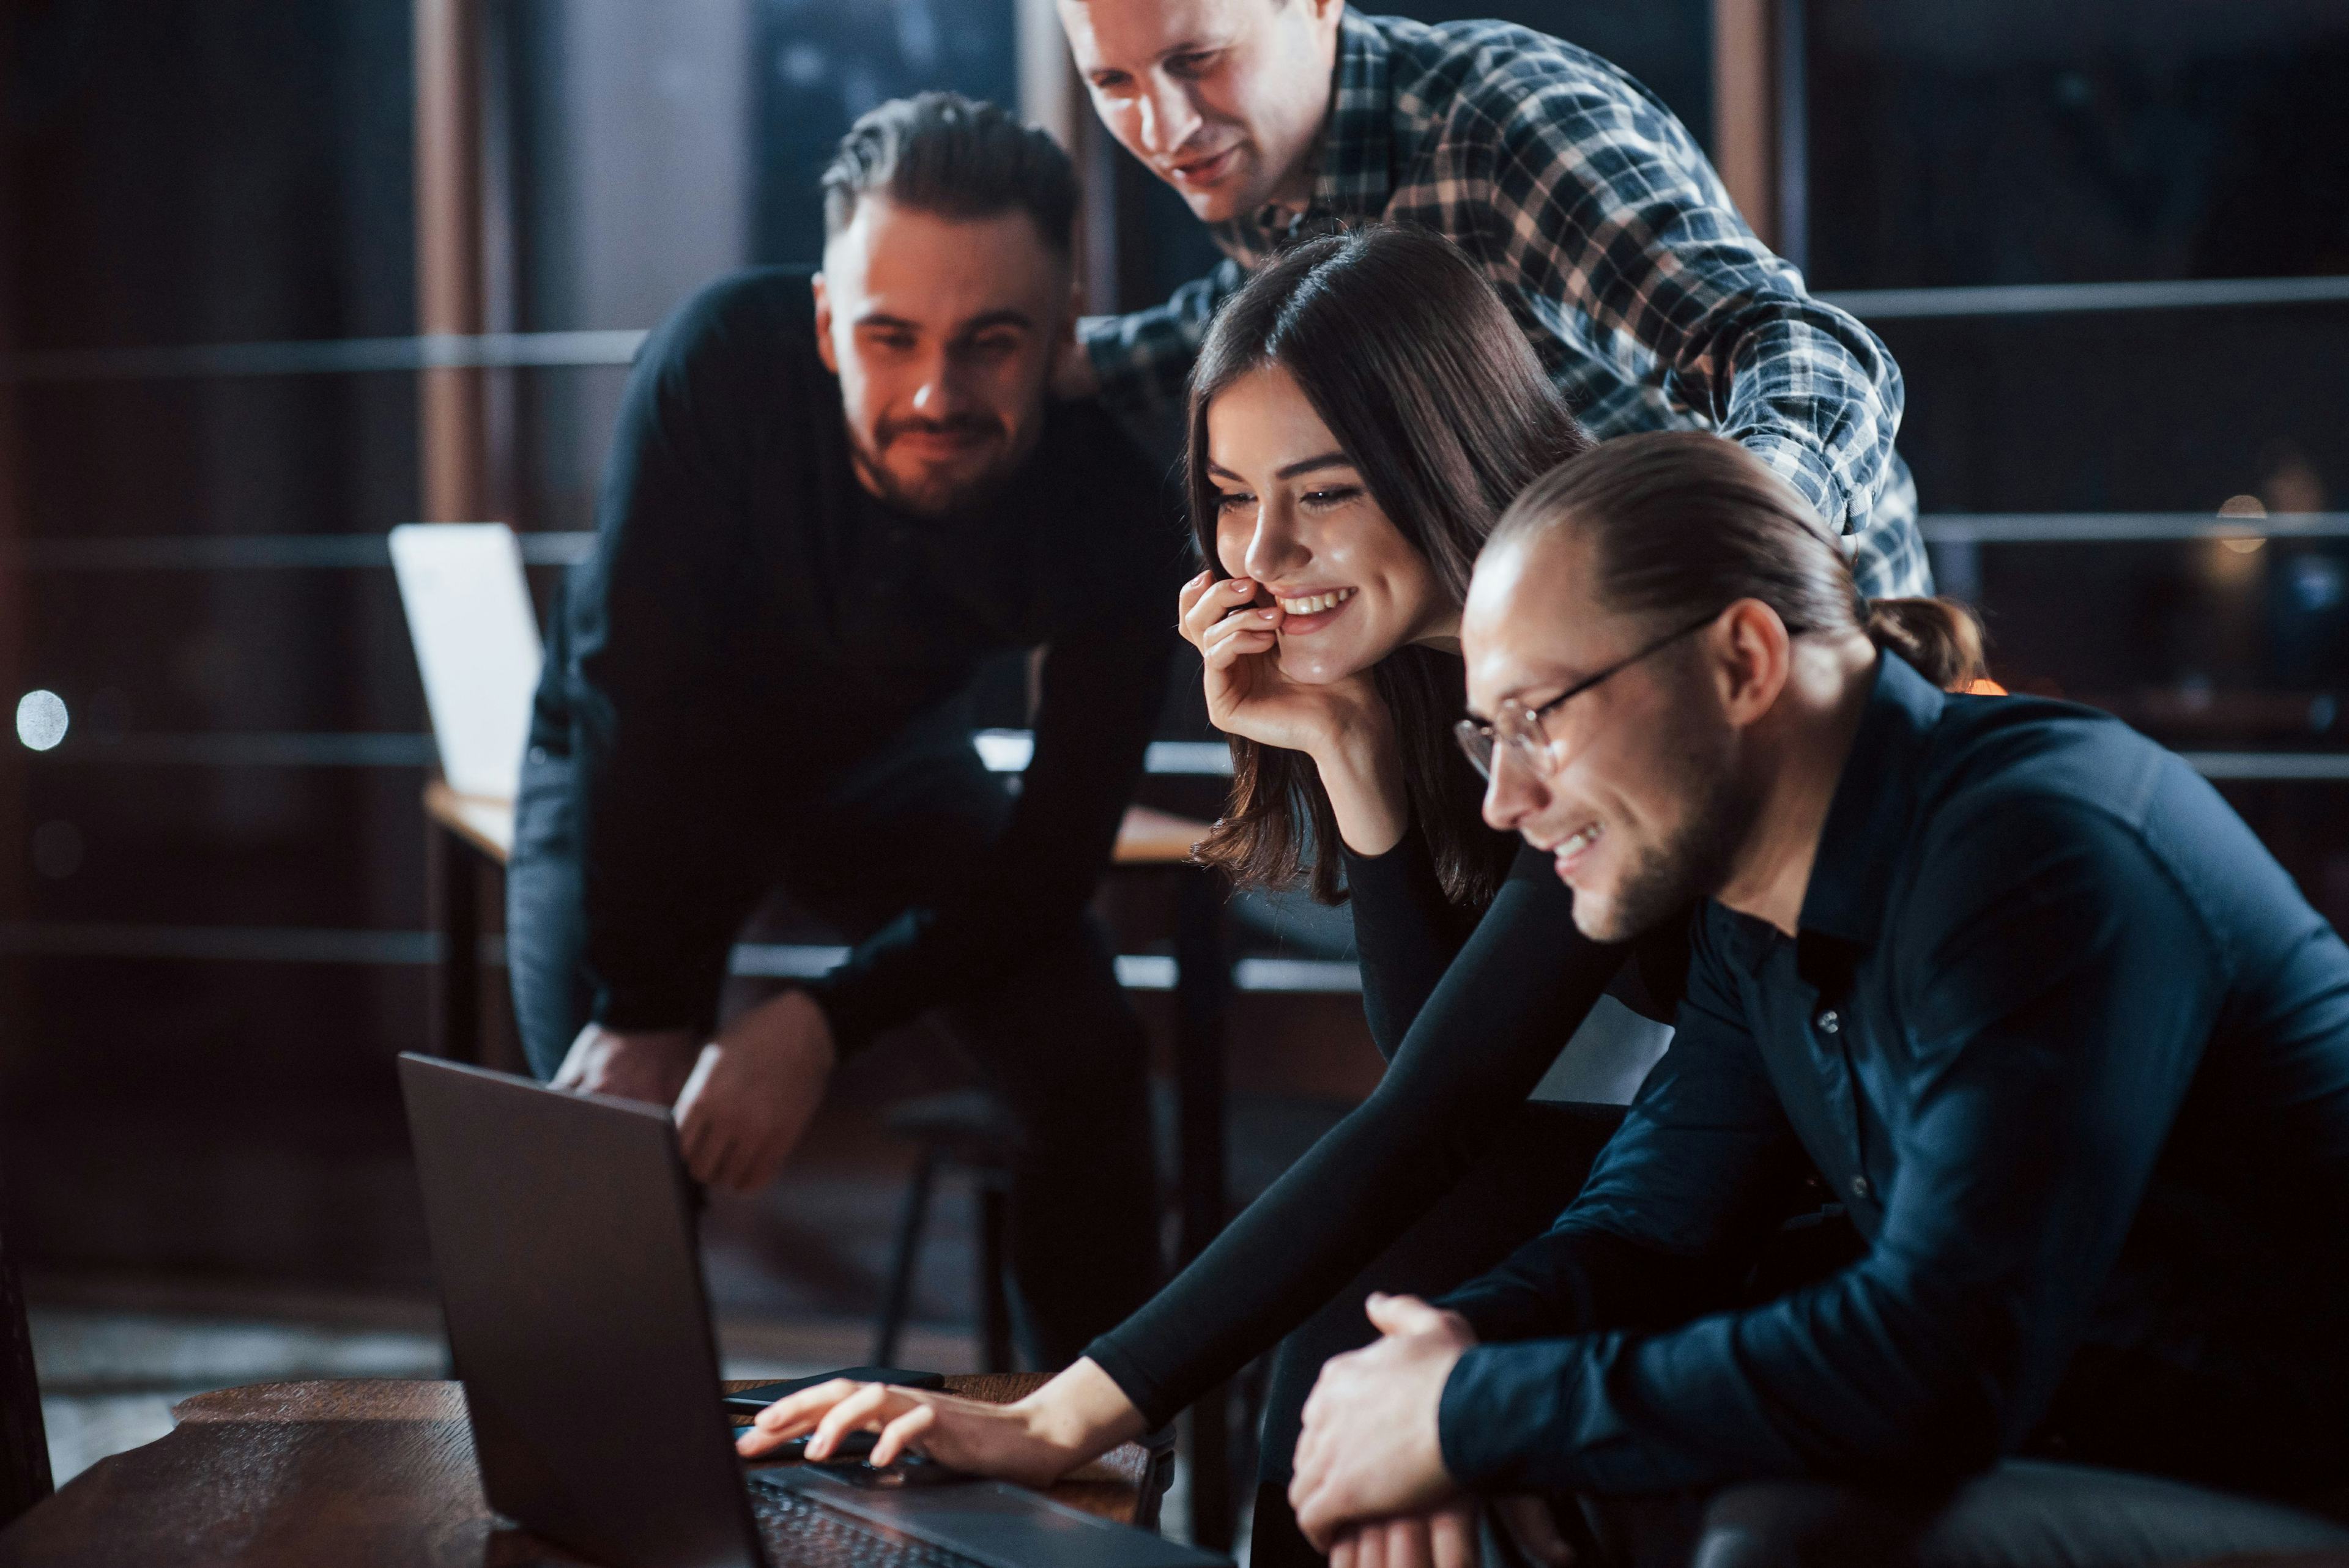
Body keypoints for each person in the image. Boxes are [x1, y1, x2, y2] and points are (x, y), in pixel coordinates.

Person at [739, 227, 1949, 1562]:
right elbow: (1448, 1051)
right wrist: (1351, 754)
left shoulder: (1601, 673)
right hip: (1669, 1167)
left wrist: (1063, 1410)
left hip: (1811, 1210)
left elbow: (1439, 1103)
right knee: (1368, 1309)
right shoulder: (1431, 674)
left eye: (1324, 494)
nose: (1264, 551)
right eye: (1229, 494)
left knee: (1379, 1290)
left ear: (1446, 458)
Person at [1283, 431, 2349, 1567]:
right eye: (1486, 734)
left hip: (2294, 1471)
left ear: (1744, 661)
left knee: (1796, 1542)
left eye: (1539, 717)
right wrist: (1449, 1353)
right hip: (2087, 1438)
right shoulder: (1759, 899)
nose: (1505, 799)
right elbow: (1654, 1227)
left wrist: (1467, 1411)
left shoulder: (2040, 848)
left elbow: (1936, 1364)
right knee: (1489, 1461)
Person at [505, 93, 1178, 1366]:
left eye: (991, 342)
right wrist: (653, 1007)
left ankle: (1087, 1472)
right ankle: (608, 1514)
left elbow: (1053, 855)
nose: (937, 392)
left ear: (1061, 334)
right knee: (603, 1137)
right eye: (889, 337)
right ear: (825, 325)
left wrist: (820, 1018)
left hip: (886, 764)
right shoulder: (717, 362)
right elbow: (633, 702)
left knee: (1084, 1059)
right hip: (642, 755)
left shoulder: (1117, 494)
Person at [1055, 0, 1929, 600]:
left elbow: (1800, 346)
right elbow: (1248, 305)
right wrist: (1054, 365)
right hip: (1561, 651)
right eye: (1114, 85)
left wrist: (1726, 542)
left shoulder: (1506, 132)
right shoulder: (1266, 166)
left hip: (1800, 629)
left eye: (1196, 61)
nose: (1164, 131)